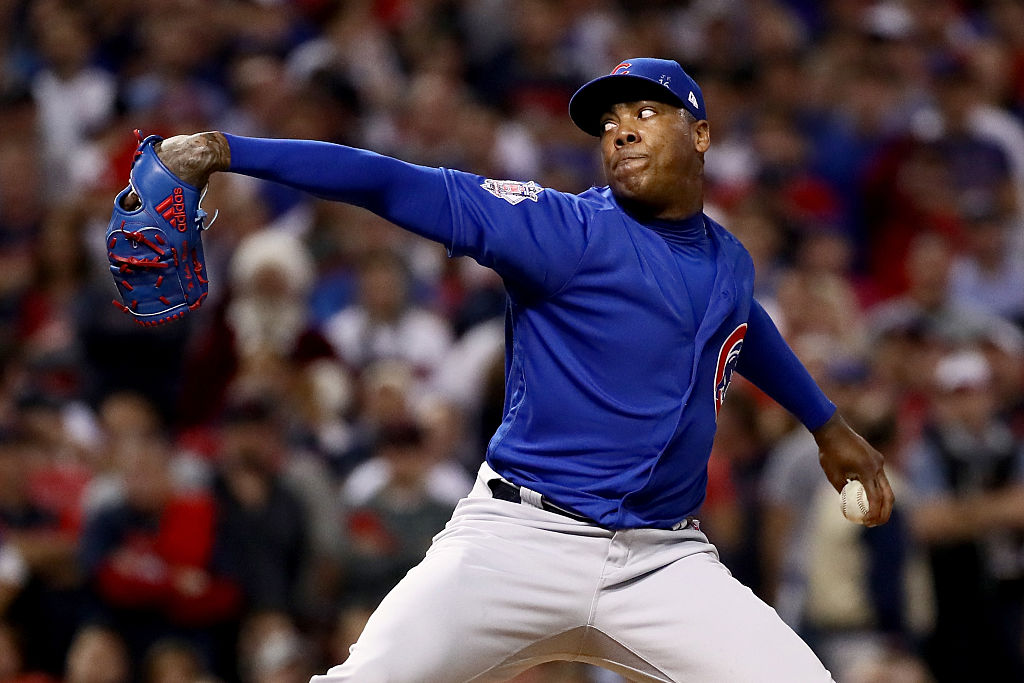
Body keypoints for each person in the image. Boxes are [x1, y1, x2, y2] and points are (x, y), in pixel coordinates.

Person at [131, 57, 893, 681]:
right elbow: (393, 182)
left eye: (645, 112)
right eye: (609, 122)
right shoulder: (560, 228)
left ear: (701, 134)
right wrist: (226, 150)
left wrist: (827, 423)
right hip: (520, 539)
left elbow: (740, 321)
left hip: (661, 560)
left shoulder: (728, 257)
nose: (620, 130)